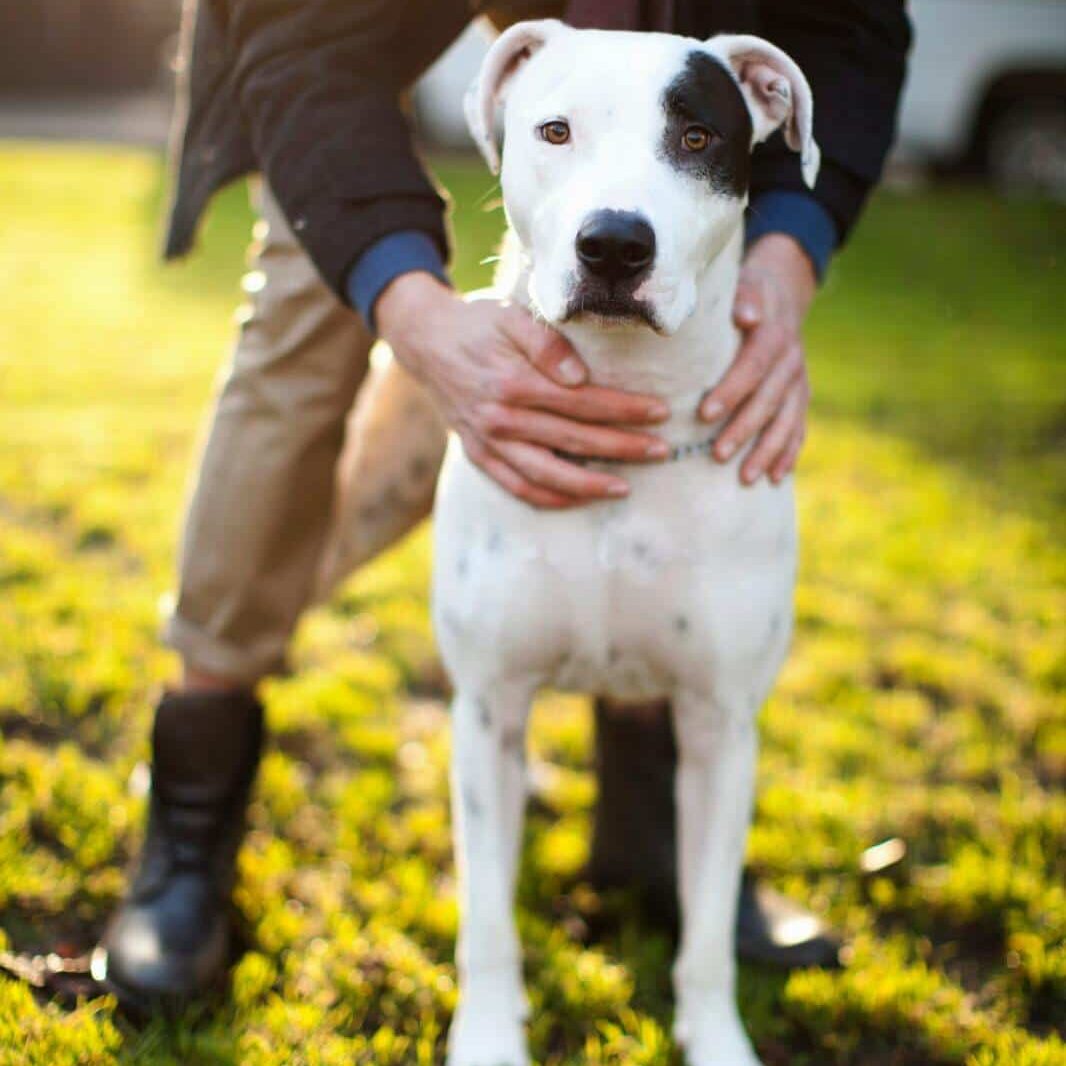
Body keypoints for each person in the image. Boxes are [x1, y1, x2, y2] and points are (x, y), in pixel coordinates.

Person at [94, 0, 911, 1007]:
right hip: (335, 34)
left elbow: (855, 28)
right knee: (307, 310)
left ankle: (652, 822)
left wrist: (790, 249)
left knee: (670, 263)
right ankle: (192, 814)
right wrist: (410, 302)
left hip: (691, 23)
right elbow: (306, 48)